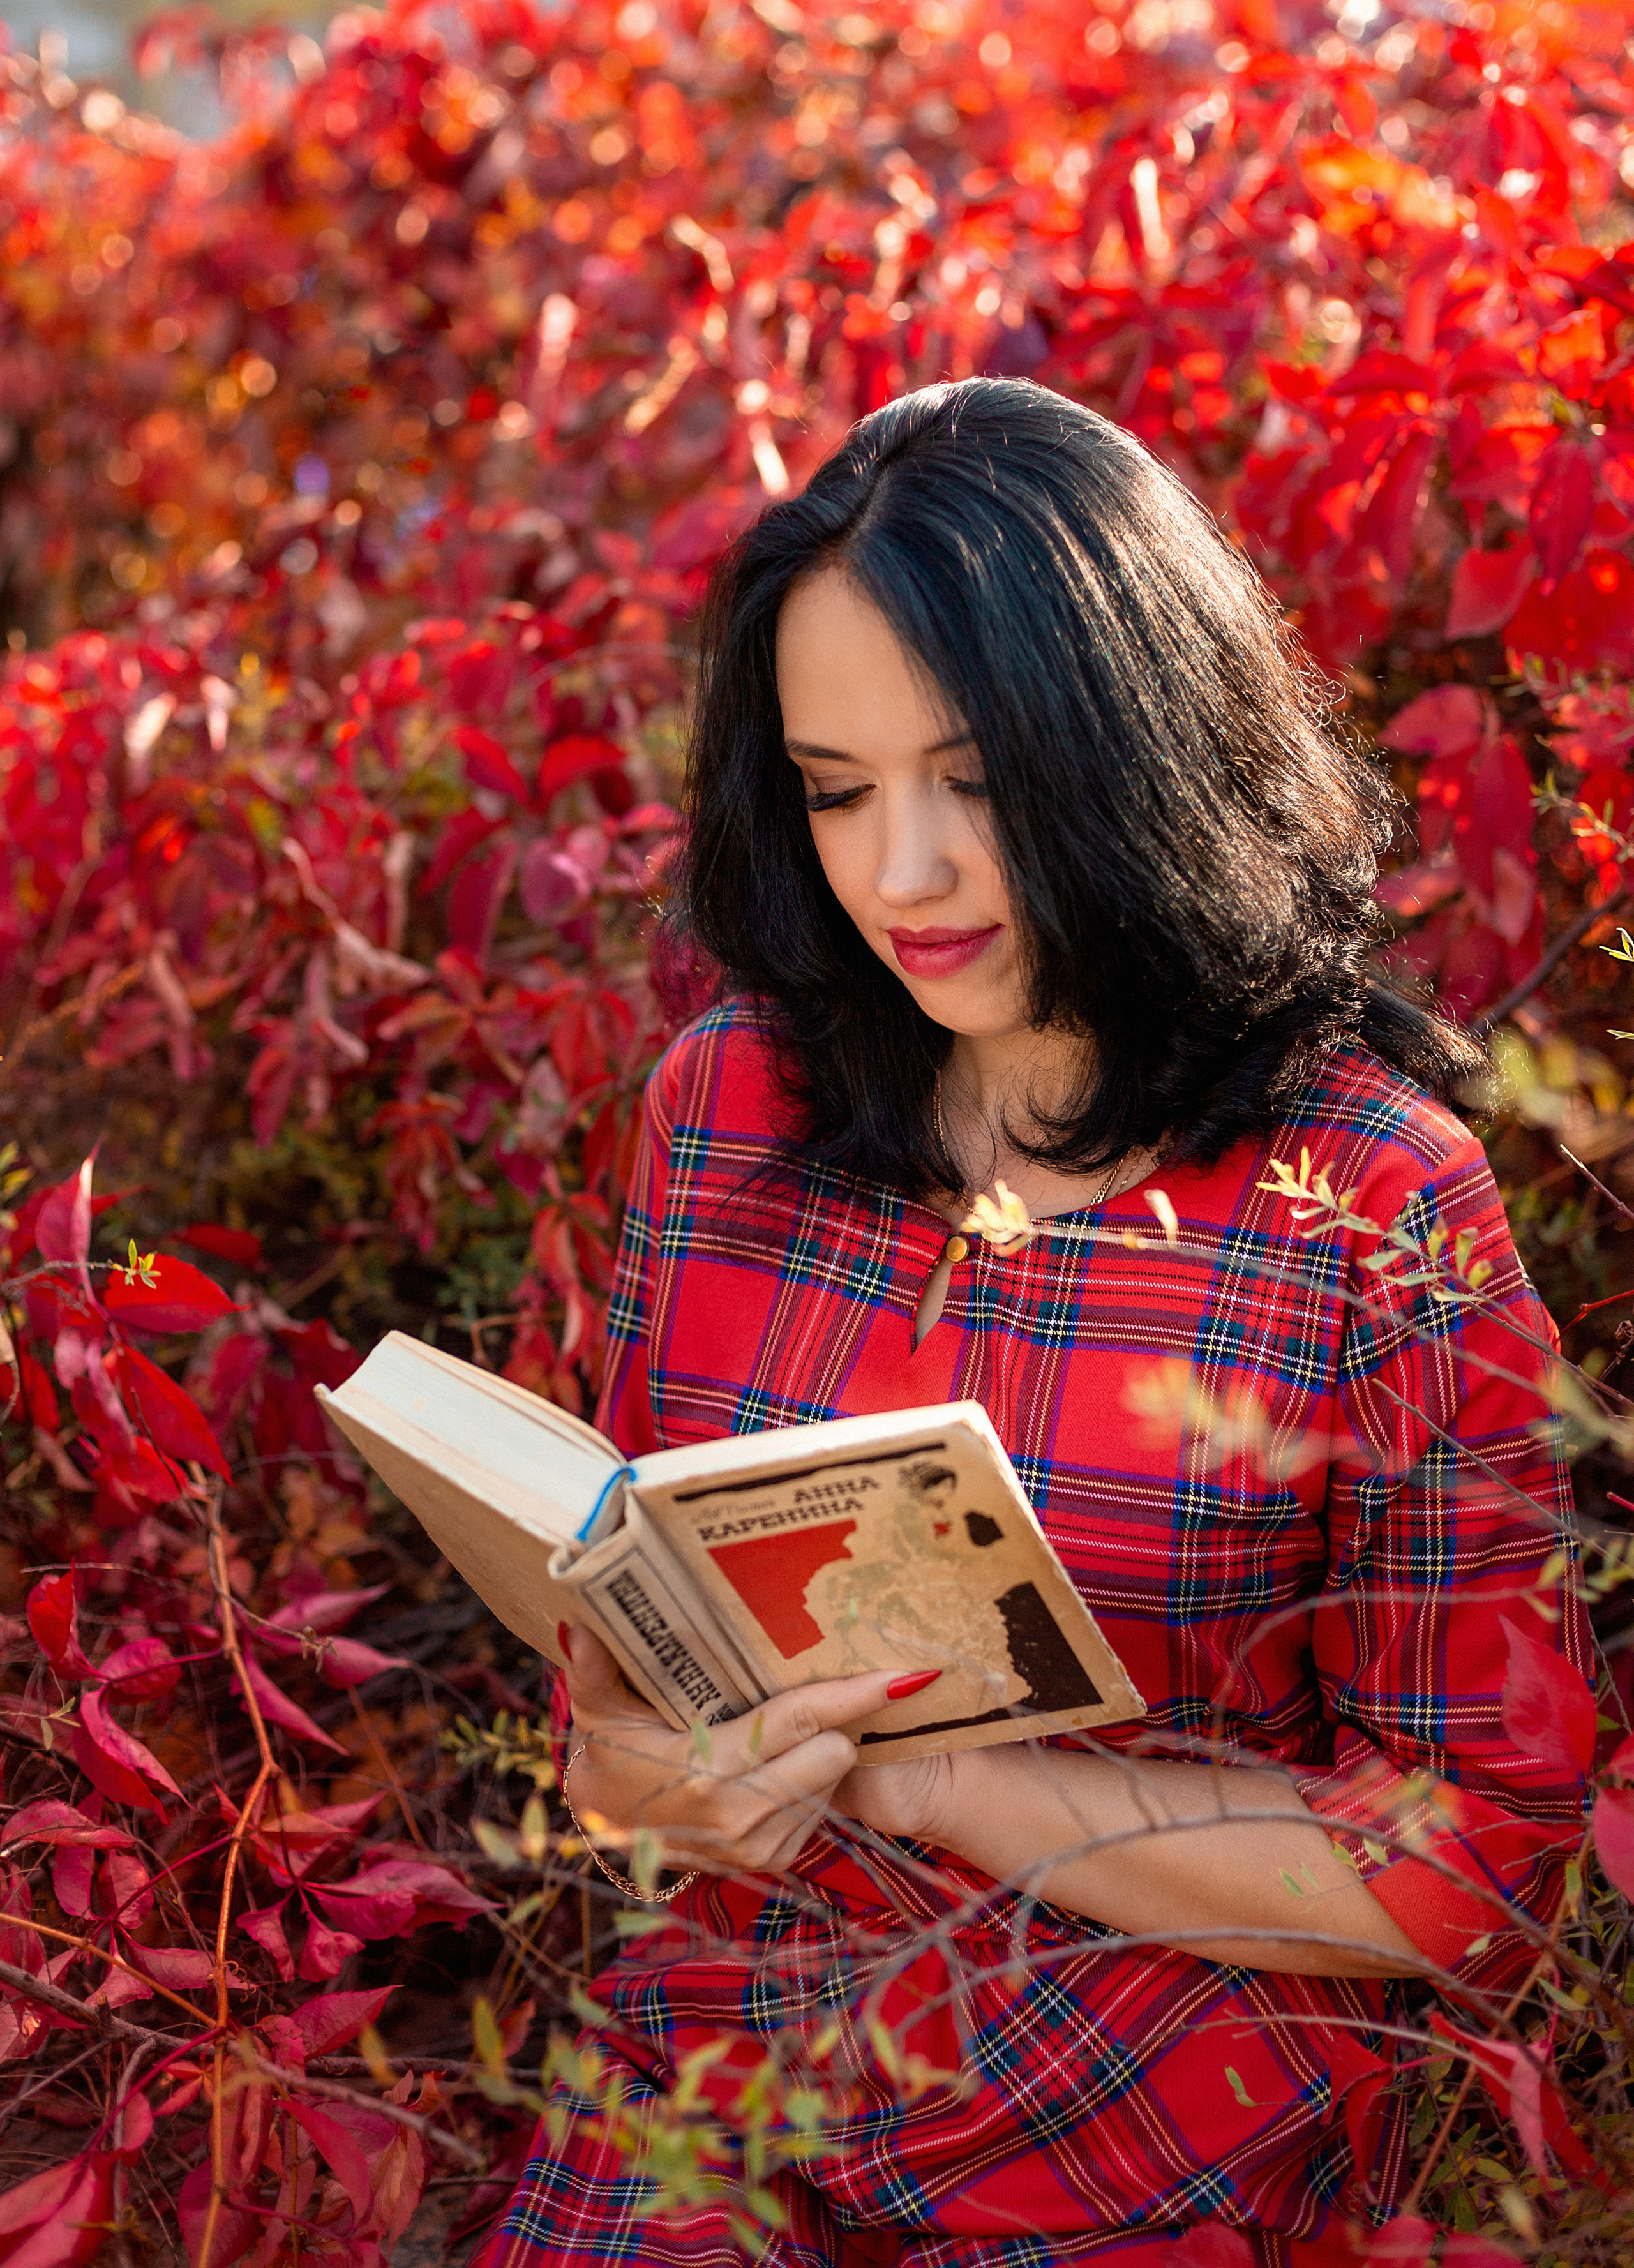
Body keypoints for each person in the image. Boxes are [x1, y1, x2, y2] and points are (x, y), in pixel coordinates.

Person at [476, 378, 1591, 2267]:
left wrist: (943, 1785)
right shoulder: (732, 1103)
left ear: (1137, 744)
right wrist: (642, 1779)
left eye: (976, 779)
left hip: (1148, 2092)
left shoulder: (1367, 1198)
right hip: (733, 2055)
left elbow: (1472, 1862)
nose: (900, 873)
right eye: (837, 790)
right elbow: (630, 1677)